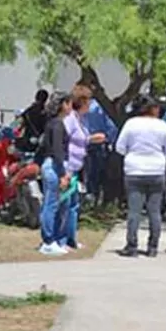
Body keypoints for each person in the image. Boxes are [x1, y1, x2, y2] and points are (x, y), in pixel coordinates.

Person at [115, 95, 166, 258]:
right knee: (154, 211)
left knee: (134, 211)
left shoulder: (131, 124)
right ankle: (153, 247)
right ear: (153, 109)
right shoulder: (162, 126)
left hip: (134, 170)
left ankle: (132, 245)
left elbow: (120, 147)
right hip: (156, 170)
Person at [60, 85, 108, 252]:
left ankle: (71, 239)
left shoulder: (80, 120)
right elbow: (64, 140)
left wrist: (90, 139)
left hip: (77, 167)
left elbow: (82, 139)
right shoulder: (70, 120)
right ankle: (61, 239)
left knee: (73, 205)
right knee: (65, 205)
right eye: (88, 101)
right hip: (68, 167)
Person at [38, 92, 73, 256]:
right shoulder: (58, 124)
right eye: (69, 103)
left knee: (55, 203)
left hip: (50, 164)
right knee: (51, 204)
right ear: (63, 105)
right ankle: (48, 240)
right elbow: (58, 150)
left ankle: (54, 239)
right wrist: (63, 173)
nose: (71, 106)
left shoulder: (51, 123)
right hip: (54, 166)